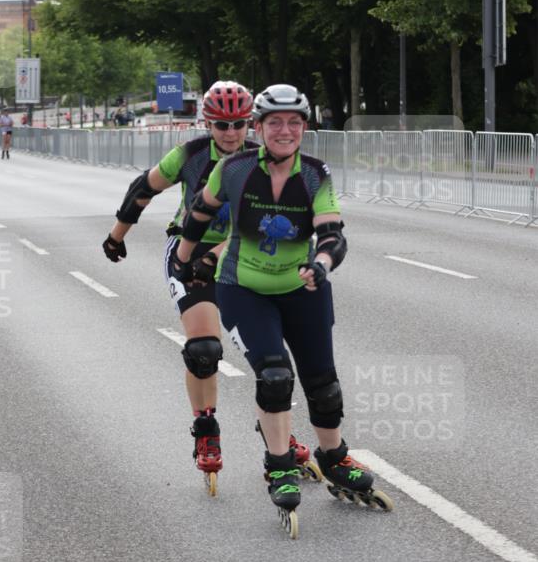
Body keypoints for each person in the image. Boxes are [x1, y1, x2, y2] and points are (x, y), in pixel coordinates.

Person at [173, 84, 392, 537]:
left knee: (323, 384)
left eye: (295, 122)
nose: (285, 130)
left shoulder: (315, 174)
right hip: (242, 288)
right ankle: (279, 465)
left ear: (305, 128)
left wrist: (322, 263)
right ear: (259, 127)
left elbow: (332, 233)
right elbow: (200, 211)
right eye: (275, 122)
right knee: (274, 376)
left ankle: (333, 458)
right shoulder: (233, 170)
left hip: (304, 285)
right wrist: (186, 259)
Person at [102, 82, 267, 495]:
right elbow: (143, 188)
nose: (231, 133)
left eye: (240, 124)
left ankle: (277, 431)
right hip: (189, 250)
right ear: (207, 123)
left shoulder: (260, 160)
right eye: (222, 125)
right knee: (204, 350)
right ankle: (206, 426)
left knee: (269, 351)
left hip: (242, 254)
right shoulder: (191, 155)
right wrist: (116, 236)